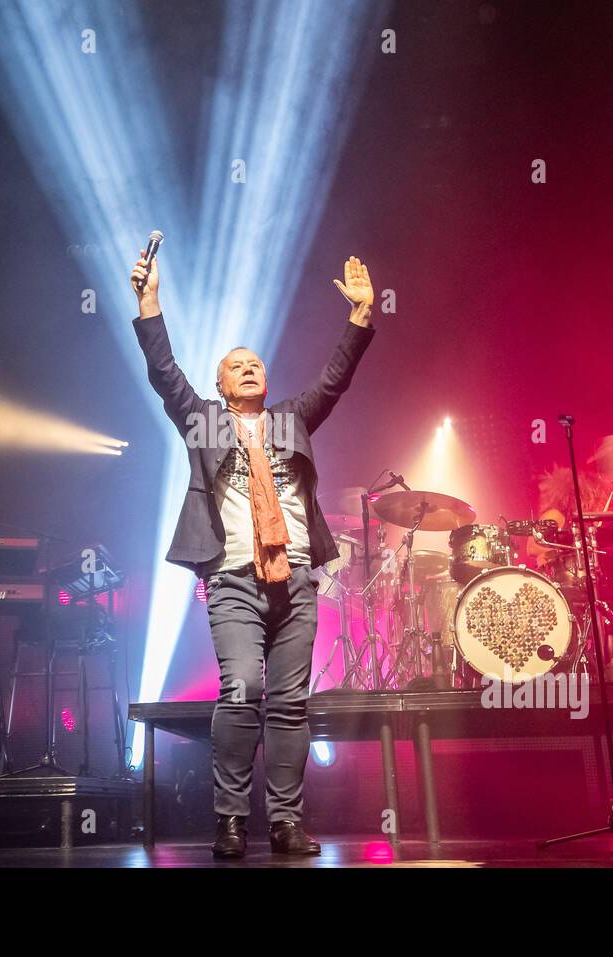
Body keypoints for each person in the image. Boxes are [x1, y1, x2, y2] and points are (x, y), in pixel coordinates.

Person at [130, 247, 377, 857]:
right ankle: (230, 820)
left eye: (256, 363)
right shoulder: (205, 422)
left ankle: (287, 822)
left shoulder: (292, 420)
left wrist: (362, 315)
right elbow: (164, 372)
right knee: (241, 688)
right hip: (235, 578)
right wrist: (149, 301)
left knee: (291, 704)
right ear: (219, 384)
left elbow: (336, 376)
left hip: (294, 578)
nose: (247, 369)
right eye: (235, 365)